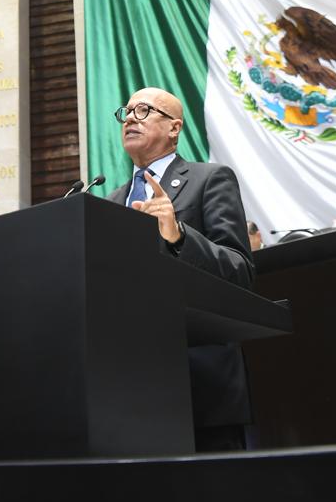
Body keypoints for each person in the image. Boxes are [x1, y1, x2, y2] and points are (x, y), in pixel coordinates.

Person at [107, 86, 254, 451]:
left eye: (143, 110)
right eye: (126, 112)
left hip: (199, 380)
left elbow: (240, 271)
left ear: (174, 128)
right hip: (129, 385)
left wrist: (179, 235)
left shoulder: (209, 179)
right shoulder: (110, 201)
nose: (130, 118)